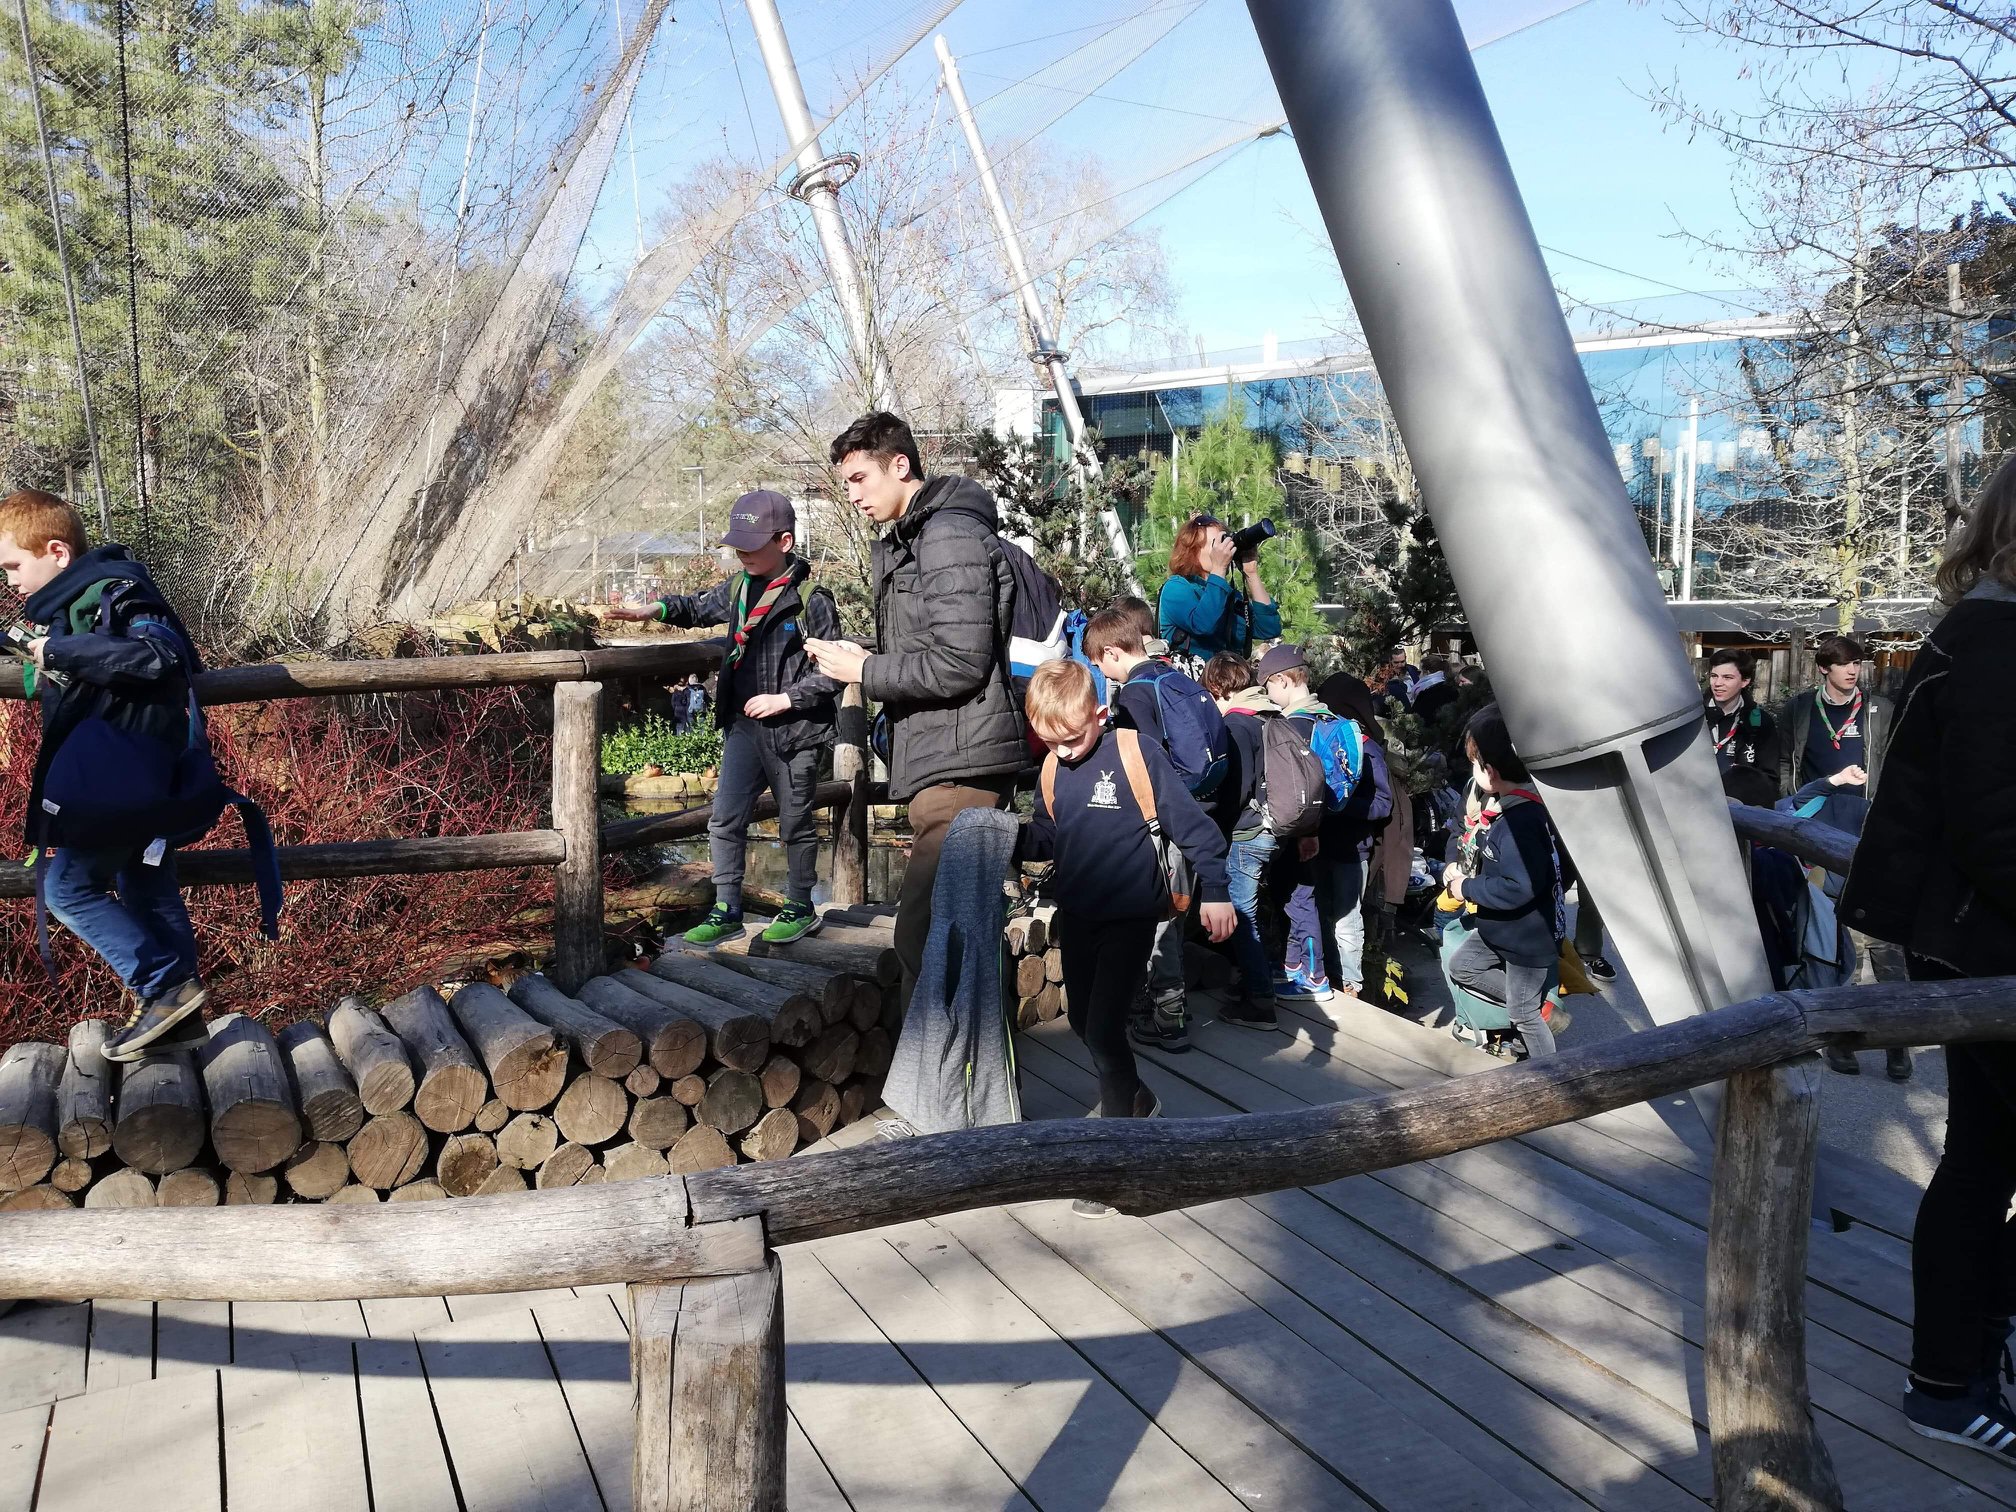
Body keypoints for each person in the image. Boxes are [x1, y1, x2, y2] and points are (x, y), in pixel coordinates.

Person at [1837, 456, 2016, 1459]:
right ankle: (1950, 1380)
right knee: (1982, 1162)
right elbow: (1995, 827)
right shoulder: (1995, 642)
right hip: (1983, 941)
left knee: (1986, 1156)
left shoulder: (1981, 631)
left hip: (1974, 934)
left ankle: (1967, 1365)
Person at [807, 413, 1026, 1011]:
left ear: (900, 466)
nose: (852, 496)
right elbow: (938, 648)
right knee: (960, 935)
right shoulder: (918, 537)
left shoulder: (946, 536)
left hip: (961, 767)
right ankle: (972, 1094)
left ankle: (941, 1097)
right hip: (945, 759)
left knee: (928, 937)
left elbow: (959, 662)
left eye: (859, 479)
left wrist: (866, 672)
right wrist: (871, 656)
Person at [1, 489, 210, 1060]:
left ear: (58, 552)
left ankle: (165, 985)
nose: (12, 581)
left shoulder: (120, 590)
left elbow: (159, 656)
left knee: (66, 888)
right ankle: (181, 1028)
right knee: (146, 882)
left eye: (15, 566)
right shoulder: (71, 608)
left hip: (126, 779)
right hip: (135, 775)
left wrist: (58, 653)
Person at [1021, 660, 1235, 1216]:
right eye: (1051, 742)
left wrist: (1215, 891)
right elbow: (1049, 835)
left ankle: (1113, 1159)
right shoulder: (1051, 768)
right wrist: (1008, 838)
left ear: (1098, 714)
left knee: (1103, 1025)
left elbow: (1195, 828)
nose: (1064, 752)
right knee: (1082, 1019)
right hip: (1078, 911)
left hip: (1133, 914)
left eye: (1072, 739)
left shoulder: (1135, 754)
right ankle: (1137, 1099)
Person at [606, 490, 837, 946]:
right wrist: (655, 609)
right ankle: (726, 907)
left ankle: (800, 905)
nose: (742, 552)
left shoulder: (811, 600)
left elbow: (831, 671)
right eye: (738, 543)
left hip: (794, 731)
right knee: (724, 819)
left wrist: (785, 699)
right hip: (743, 727)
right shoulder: (737, 589)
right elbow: (696, 606)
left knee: (795, 821)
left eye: (752, 543)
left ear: (785, 541)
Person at [1084, 604, 1226, 1053]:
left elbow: (1138, 763)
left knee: (1162, 917)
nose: (1096, 669)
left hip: (1159, 824)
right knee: (1174, 913)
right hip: (1197, 809)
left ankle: (1168, 1018)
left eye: (1097, 660)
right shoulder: (1178, 678)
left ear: (1111, 653)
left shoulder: (1137, 694)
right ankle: (1165, 1007)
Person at [1441, 704, 1567, 1059]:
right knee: (1462, 966)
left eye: (1476, 763)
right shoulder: (1507, 808)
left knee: (1521, 1014)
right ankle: (1538, 1005)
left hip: (1526, 938)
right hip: (1499, 928)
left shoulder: (1518, 821)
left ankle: (1553, 1080)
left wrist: (1464, 887)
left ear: (1491, 771)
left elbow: (1519, 886)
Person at [1256, 644, 1348, 1005]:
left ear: (1282, 680)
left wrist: (1305, 832)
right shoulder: (1326, 717)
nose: (1268, 694)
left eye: (1268, 686)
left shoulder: (1293, 726)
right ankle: (1294, 967)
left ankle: (1314, 977)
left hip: (1301, 830)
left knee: (1299, 900)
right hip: (1325, 825)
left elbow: (1295, 787)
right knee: (1300, 898)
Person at [1156, 515, 1280, 668]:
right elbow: (1203, 625)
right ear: (1192, 551)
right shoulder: (1176, 588)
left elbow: (1269, 629)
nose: (1226, 549)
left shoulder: (1227, 595)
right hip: (1191, 687)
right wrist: (1219, 569)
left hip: (1230, 684)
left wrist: (1251, 572)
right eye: (1219, 543)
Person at [1780, 633, 1890, 799]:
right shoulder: (1798, 708)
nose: (1852, 671)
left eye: (1856, 663)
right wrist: (1790, 798)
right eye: (1842, 664)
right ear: (1823, 668)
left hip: (1860, 811)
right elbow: (1784, 761)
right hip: (1810, 810)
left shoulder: (1881, 709)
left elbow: (1894, 763)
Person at [1705, 649, 1781, 786]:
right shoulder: (1693, 717)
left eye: (1727, 677)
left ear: (1745, 681)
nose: (1717, 683)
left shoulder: (1759, 722)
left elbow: (1769, 779)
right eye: (1714, 676)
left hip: (1739, 804)